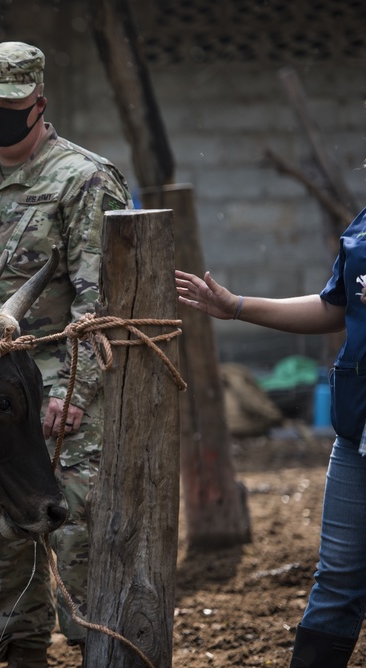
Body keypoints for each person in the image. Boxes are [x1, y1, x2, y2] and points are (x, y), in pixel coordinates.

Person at [0, 42, 130, 667]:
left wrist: (74, 392)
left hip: (59, 391)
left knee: (75, 535)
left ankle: (101, 648)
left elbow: (103, 306)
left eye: (8, 104)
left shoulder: (85, 179)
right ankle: (20, 655)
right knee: (0, 536)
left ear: (39, 102)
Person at [176, 205, 366, 668]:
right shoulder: (364, 222)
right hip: (357, 430)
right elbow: (333, 306)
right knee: (337, 579)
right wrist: (236, 307)